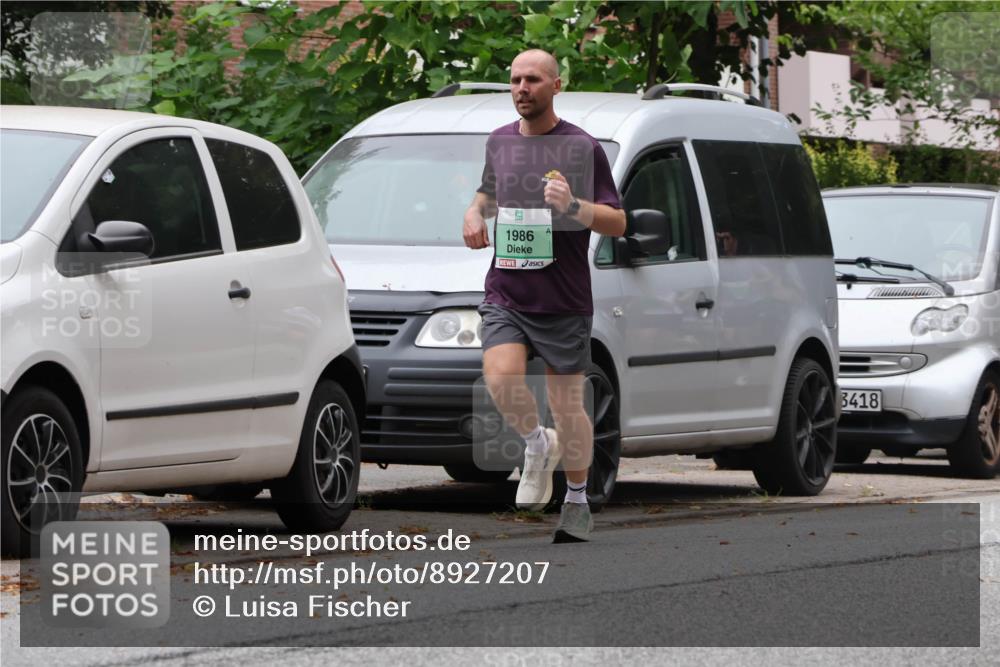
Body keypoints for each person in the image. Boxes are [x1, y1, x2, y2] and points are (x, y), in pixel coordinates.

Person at [462, 49, 626, 543]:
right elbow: (490, 193)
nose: (521, 88)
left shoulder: (582, 148)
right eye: (514, 80)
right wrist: (474, 212)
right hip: (507, 290)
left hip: (563, 299)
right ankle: (536, 443)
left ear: (556, 86)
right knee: (500, 377)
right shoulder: (499, 142)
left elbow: (617, 222)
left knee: (568, 405)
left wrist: (574, 205)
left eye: (532, 79)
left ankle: (576, 500)